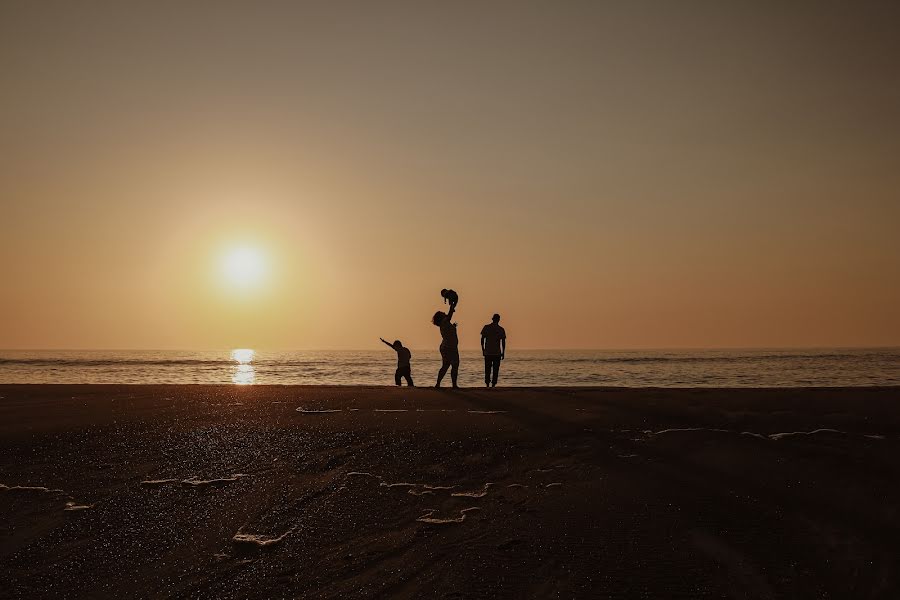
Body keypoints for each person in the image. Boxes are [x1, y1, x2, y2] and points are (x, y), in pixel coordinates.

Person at [432, 299, 459, 388]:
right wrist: (452, 306)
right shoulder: (444, 322)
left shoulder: (445, 324)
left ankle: (438, 384)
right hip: (450, 347)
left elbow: (449, 331)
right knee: (454, 365)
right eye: (443, 313)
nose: (444, 313)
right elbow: (450, 314)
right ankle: (454, 385)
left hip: (446, 346)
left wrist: (453, 327)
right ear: (441, 317)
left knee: (446, 365)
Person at [480, 313, 506, 387]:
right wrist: (503, 352)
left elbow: (482, 340)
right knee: (495, 370)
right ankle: (493, 384)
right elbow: (503, 342)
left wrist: (483, 350)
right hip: (496, 353)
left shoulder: (486, 327)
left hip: (488, 352)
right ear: (498, 320)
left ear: (492, 319)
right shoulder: (501, 329)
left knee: (487, 369)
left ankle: (487, 384)